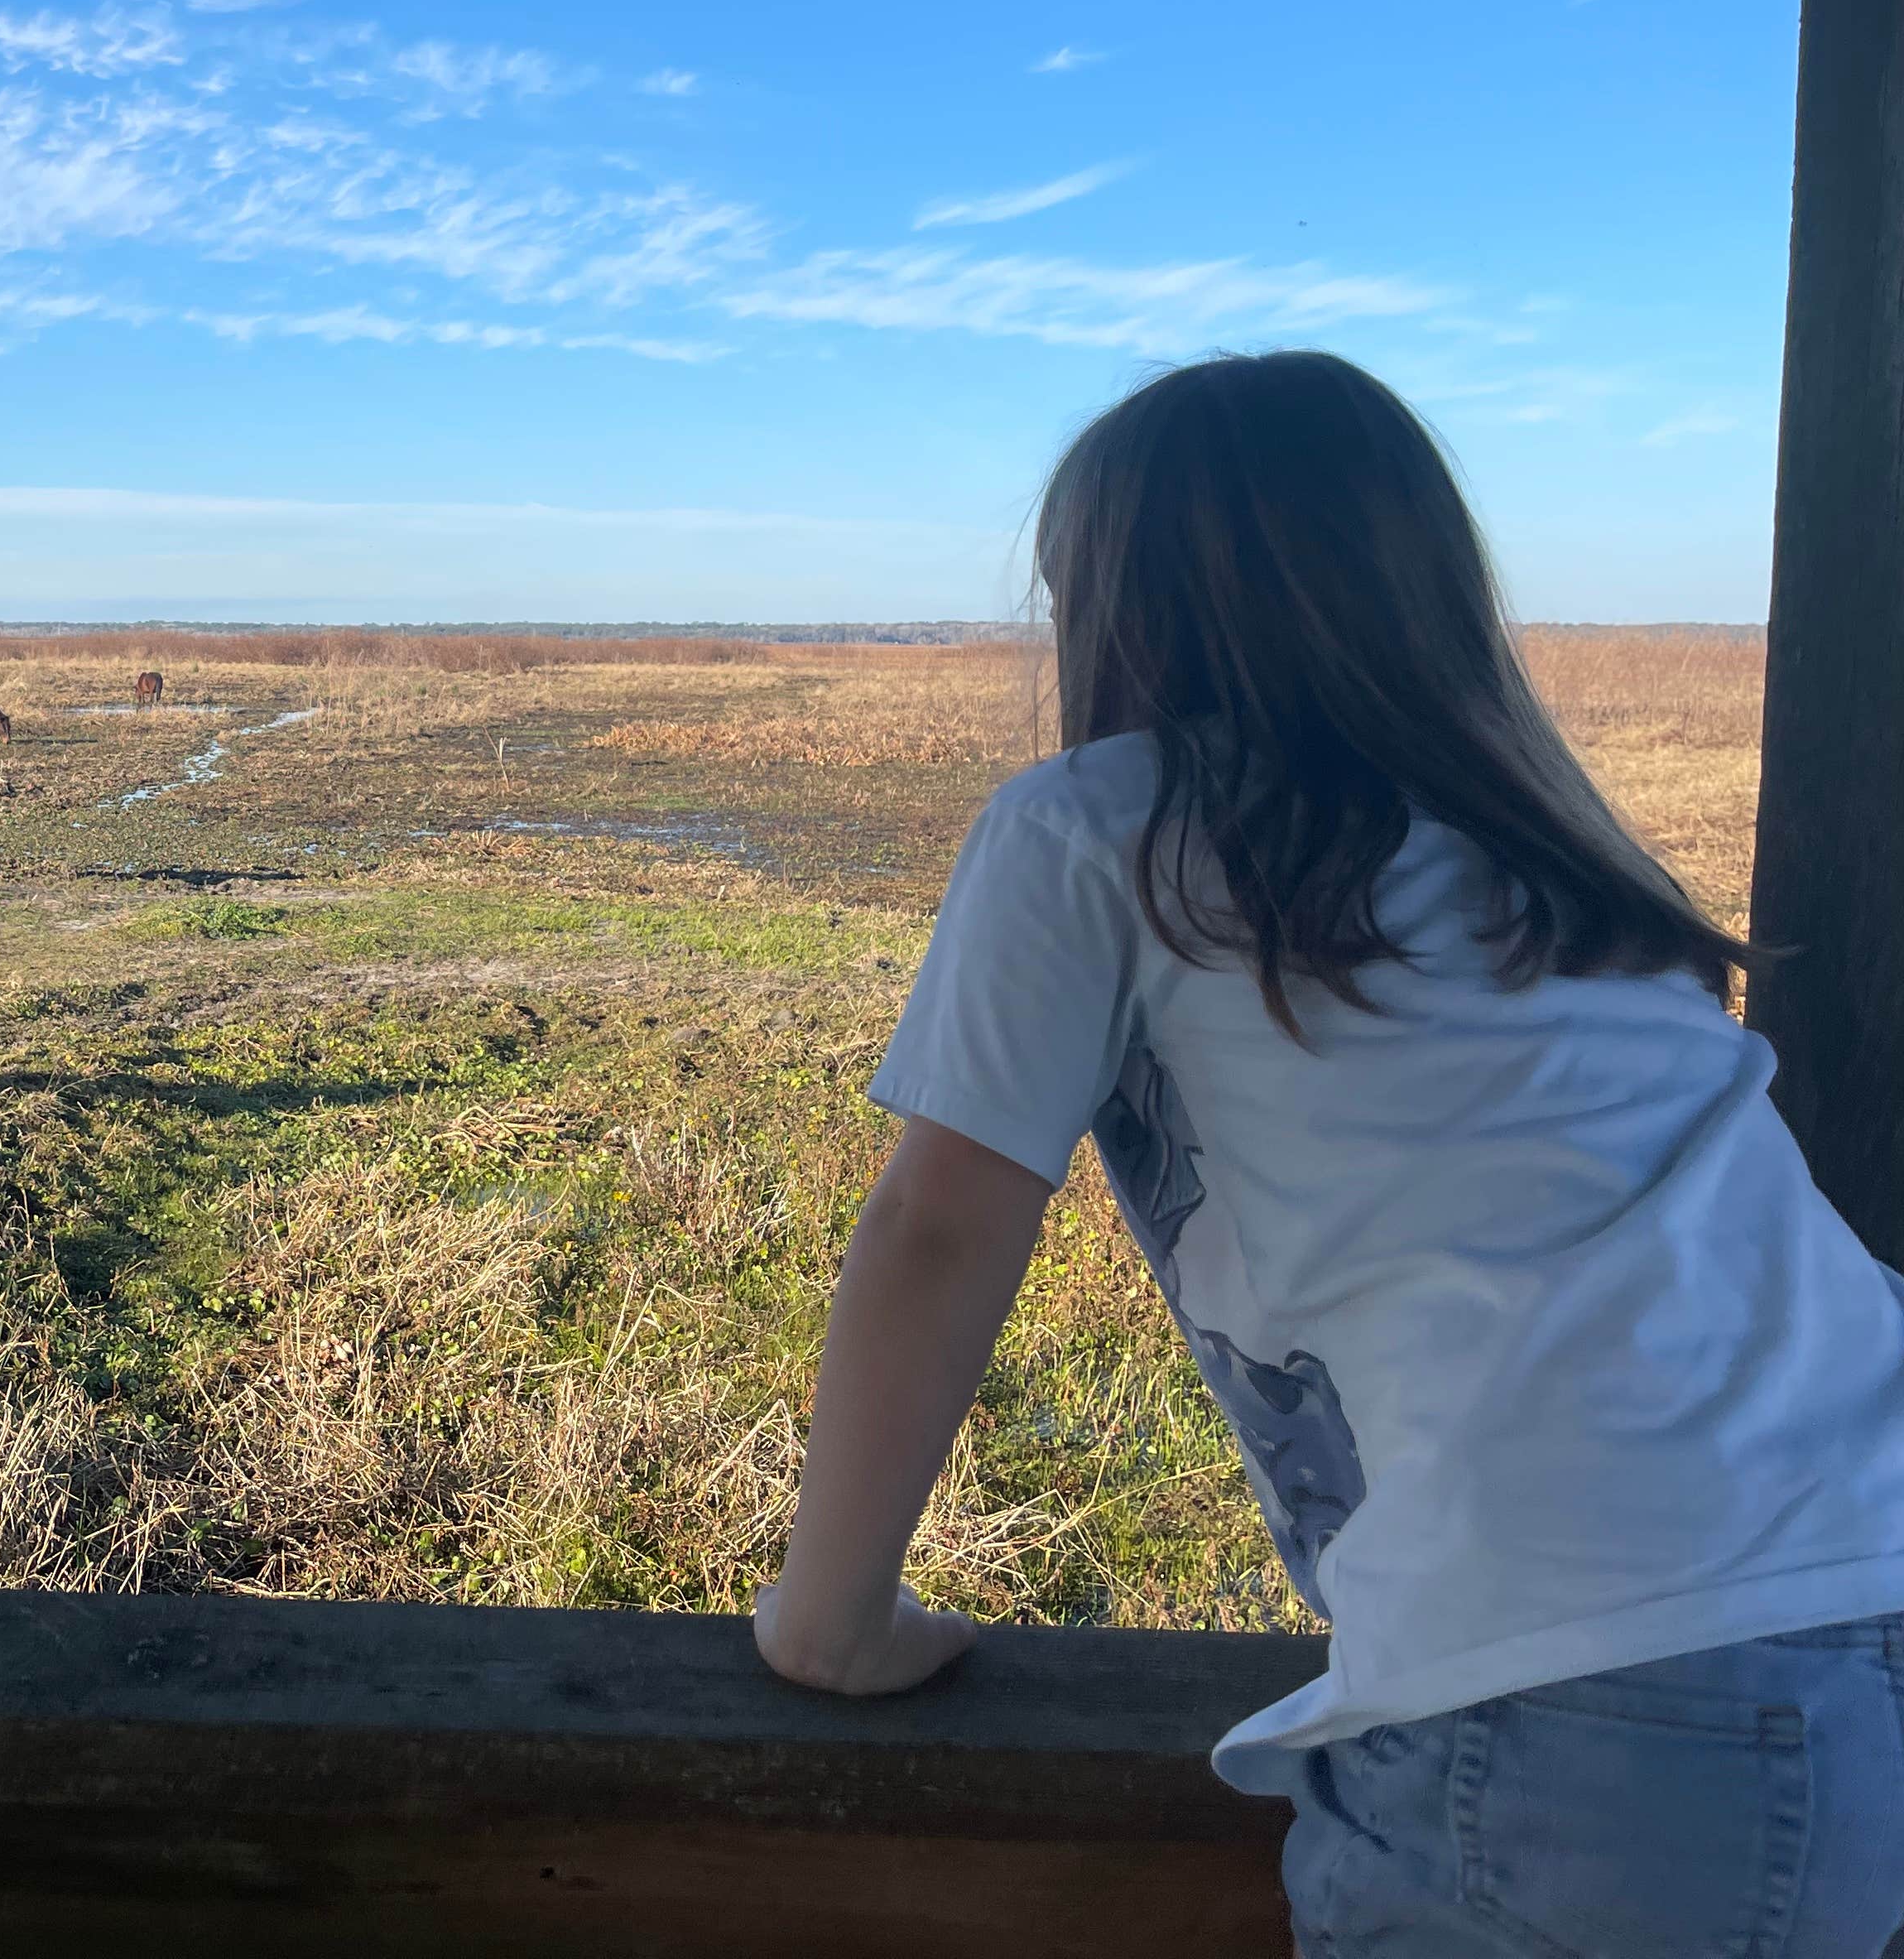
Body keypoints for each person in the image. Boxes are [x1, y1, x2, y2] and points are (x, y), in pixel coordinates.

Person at [755, 352, 1904, 1951]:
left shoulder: (1103, 821)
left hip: (1600, 1698)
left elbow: (937, 1225)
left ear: (1121, 600)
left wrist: (830, 1620)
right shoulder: (1551, 847)